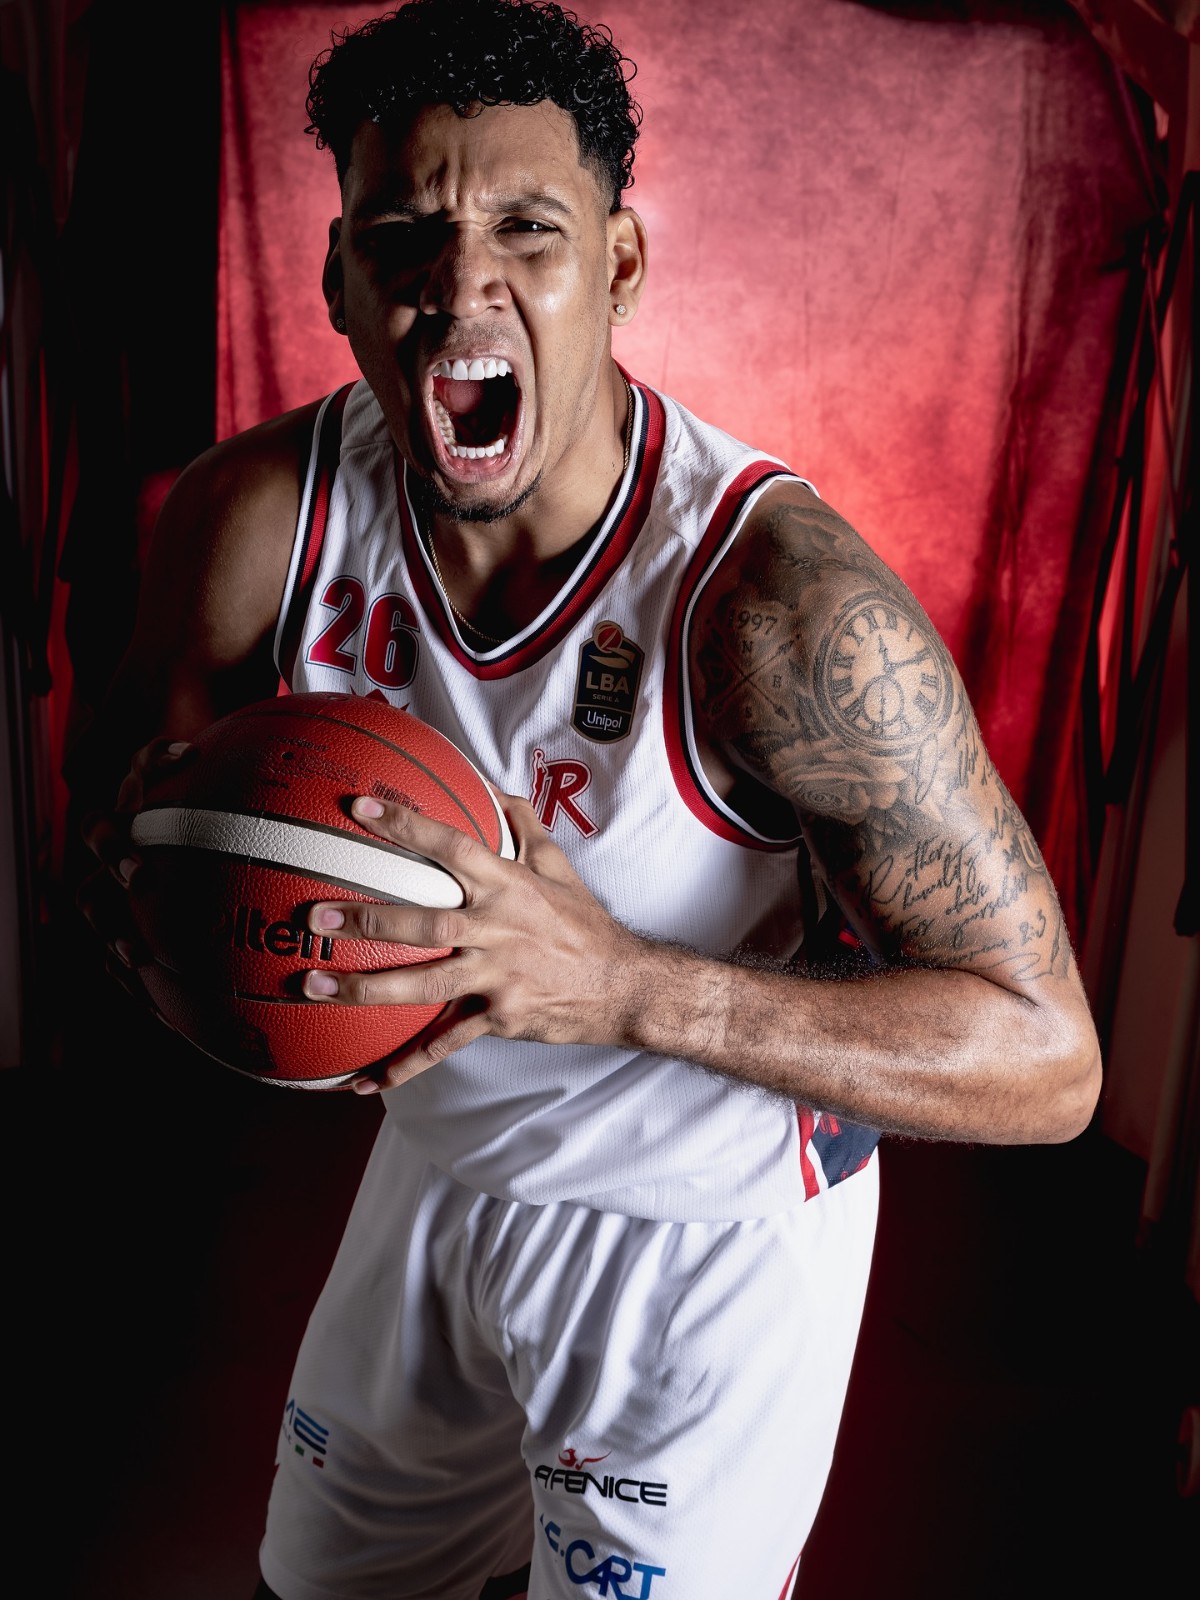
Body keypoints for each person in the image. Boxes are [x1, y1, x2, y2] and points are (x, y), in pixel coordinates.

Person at [71, 1, 1102, 1595]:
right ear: (338, 278)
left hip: (702, 1240)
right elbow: (134, 832)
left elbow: (1046, 1059)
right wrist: (177, 934)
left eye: (526, 230)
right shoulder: (256, 516)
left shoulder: (780, 608)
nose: (458, 284)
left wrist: (617, 985)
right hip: (438, 1171)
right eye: (402, 236)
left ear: (618, 265)